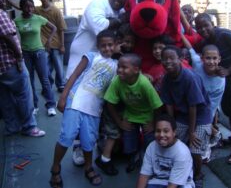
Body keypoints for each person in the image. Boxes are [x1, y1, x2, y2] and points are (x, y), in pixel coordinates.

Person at [49, 30, 118, 188]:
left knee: (89, 141)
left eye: (110, 45)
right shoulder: (91, 56)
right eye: (103, 45)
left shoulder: (116, 66)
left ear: (115, 45)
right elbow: (74, 76)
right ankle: (55, 168)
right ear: (98, 46)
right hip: (75, 102)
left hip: (94, 109)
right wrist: (63, 96)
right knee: (67, 136)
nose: (107, 48)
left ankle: (88, 167)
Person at [194, 13, 231, 165]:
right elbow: (195, 53)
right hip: (223, 84)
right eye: (199, 27)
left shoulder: (226, 34)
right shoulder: (205, 42)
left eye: (205, 25)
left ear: (212, 23)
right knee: (229, 111)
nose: (203, 29)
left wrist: (228, 70)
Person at [160, 45, 211, 188]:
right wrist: (171, 127)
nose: (168, 62)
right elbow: (168, 103)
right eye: (165, 59)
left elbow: (193, 106)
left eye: (172, 58)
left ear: (180, 59)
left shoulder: (190, 77)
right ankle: (178, 169)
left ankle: (198, 174)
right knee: (173, 141)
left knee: (194, 148)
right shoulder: (166, 78)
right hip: (183, 114)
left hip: (200, 116)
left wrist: (191, 131)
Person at [103, 53, 163, 173]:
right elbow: (109, 102)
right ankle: (133, 158)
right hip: (130, 115)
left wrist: (153, 123)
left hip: (147, 117)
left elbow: (158, 106)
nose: (120, 70)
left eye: (124, 67)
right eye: (119, 66)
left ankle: (148, 160)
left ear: (136, 70)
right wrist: (119, 122)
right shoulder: (118, 81)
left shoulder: (144, 83)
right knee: (129, 142)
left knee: (149, 142)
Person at [0, 0, 45, 137]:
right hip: (10, 63)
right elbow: (9, 37)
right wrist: (19, 59)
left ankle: (12, 127)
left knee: (5, 98)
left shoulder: (37, 18)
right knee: (24, 95)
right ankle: (29, 127)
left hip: (1, 68)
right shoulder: (1, 15)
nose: (4, 1)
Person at [94, 23, 136, 176]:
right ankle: (104, 159)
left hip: (121, 102)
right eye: (123, 42)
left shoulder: (126, 57)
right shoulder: (111, 58)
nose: (126, 45)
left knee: (118, 132)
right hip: (111, 101)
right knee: (113, 132)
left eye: (130, 42)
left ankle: (113, 154)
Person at [66, 0, 130, 79]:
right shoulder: (97, 4)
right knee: (76, 88)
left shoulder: (121, 11)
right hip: (82, 56)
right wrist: (120, 20)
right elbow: (100, 29)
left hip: (100, 62)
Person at [14, 0, 57, 116]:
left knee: (45, 80)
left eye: (31, 6)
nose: (29, 9)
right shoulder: (17, 21)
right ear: (21, 8)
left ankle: (51, 105)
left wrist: (49, 41)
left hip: (39, 52)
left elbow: (54, 28)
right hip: (25, 53)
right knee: (30, 81)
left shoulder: (38, 19)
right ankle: (34, 106)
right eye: (26, 6)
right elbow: (11, 33)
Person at [182, 34, 225, 148]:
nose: (211, 62)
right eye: (208, 58)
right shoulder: (197, 63)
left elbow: (212, 105)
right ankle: (214, 131)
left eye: (214, 58)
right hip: (193, 101)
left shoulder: (220, 80)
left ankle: (215, 135)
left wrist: (206, 121)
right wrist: (179, 33)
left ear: (219, 59)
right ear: (202, 58)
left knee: (201, 130)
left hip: (207, 106)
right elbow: (190, 48)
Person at [136, 113, 195, 188]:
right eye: (158, 131)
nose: (161, 135)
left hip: (180, 183)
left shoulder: (182, 152)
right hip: (158, 181)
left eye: (166, 131)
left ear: (174, 132)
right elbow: (144, 175)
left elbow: (172, 185)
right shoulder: (152, 146)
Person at [35, 0, 67, 93]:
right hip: (43, 44)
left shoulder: (56, 11)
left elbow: (61, 29)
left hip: (56, 43)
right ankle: (48, 85)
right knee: (45, 67)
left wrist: (62, 45)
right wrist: (8, 0)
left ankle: (61, 84)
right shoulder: (37, 10)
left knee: (59, 66)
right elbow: (22, 8)